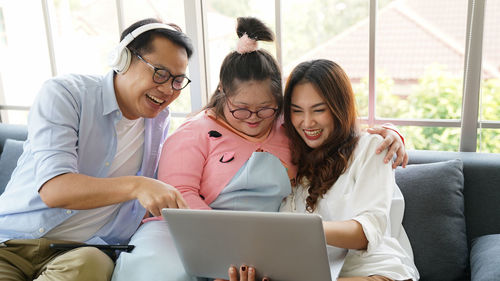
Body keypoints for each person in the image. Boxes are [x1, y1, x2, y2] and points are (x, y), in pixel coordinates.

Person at [112, 18, 407, 281]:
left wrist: (390, 132)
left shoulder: (294, 133)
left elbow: (366, 219)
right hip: (203, 236)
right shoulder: (196, 133)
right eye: (241, 110)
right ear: (223, 95)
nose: (254, 119)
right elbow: (180, 197)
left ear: (277, 105)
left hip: (300, 253)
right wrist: (239, 248)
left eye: (265, 110)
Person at [0, 18, 192, 281]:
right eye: (160, 73)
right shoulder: (65, 94)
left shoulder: (159, 120)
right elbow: (55, 189)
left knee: (89, 264)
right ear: (123, 59)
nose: (169, 89)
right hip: (11, 243)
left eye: (178, 80)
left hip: (82, 254)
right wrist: (138, 186)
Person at [281, 59, 419, 280]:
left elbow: (366, 232)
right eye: (297, 111)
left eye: (319, 110)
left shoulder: (371, 148)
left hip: (372, 271)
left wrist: (300, 230)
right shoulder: (286, 158)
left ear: (339, 107)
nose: (307, 123)